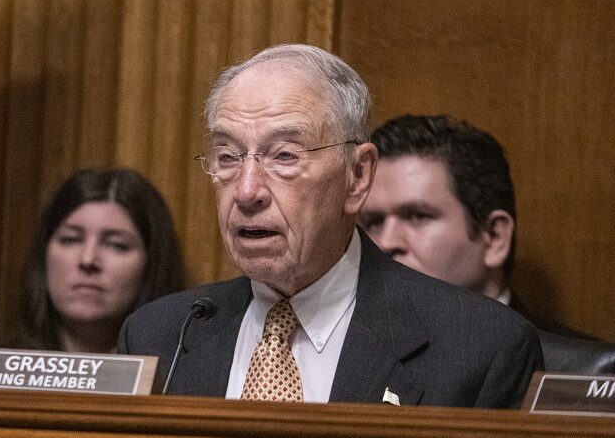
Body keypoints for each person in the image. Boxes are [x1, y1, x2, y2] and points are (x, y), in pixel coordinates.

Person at [118, 44, 542, 408]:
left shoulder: (482, 348)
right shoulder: (158, 337)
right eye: (228, 157)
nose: (246, 192)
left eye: (284, 156)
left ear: (357, 176)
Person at [360, 114, 591, 339]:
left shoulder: (581, 369)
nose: (385, 242)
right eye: (374, 222)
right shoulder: (356, 350)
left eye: (418, 216)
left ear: (494, 237)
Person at [16, 167, 186, 353]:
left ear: (152, 263)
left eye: (116, 245)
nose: (88, 260)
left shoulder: (184, 376)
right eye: (71, 239)